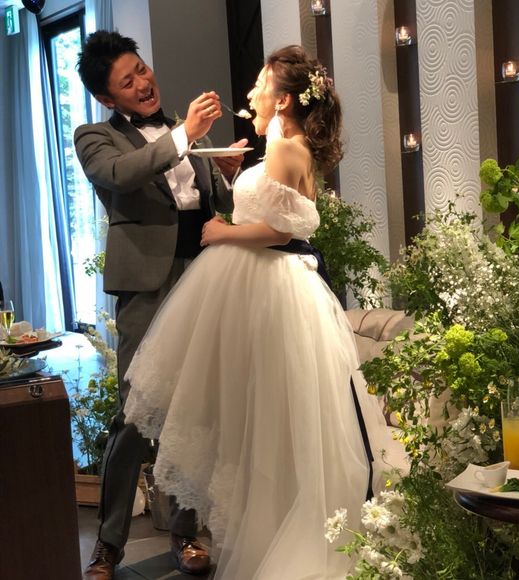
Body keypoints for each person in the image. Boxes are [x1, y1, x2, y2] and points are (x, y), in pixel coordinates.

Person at [124, 45, 390, 579]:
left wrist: (222, 232)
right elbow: (272, 213)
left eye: (261, 86)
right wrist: (233, 193)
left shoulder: (286, 146)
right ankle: (262, 536)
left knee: (271, 417)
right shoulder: (281, 143)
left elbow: (283, 231)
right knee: (258, 418)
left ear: (284, 100)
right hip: (261, 287)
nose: (251, 94)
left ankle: (285, 543)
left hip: (276, 293)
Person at [74, 30, 246, 580]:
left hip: (202, 276)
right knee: (133, 415)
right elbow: (121, 175)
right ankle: (108, 545)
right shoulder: (95, 137)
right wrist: (183, 135)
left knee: (192, 411)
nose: (143, 82)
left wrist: (227, 176)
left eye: (142, 69)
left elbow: (212, 204)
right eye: (127, 81)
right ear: (107, 97)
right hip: (148, 286)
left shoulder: (183, 133)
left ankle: (186, 532)